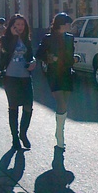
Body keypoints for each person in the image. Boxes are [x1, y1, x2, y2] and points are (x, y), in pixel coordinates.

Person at [36, 12, 79, 150]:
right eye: (69, 23)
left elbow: (70, 55)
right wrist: (49, 57)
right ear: (62, 24)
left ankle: (59, 128)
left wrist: (75, 58)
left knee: (64, 104)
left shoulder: (70, 38)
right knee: (61, 103)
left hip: (67, 73)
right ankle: (60, 135)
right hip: (54, 74)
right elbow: (39, 54)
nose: (70, 26)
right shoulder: (48, 38)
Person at [0, 14, 36, 150]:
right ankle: (15, 138)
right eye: (17, 24)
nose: (20, 27)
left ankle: (23, 133)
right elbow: (6, 52)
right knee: (13, 107)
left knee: (28, 106)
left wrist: (33, 62)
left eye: (22, 24)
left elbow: (30, 55)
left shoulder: (26, 40)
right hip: (11, 77)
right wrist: (14, 37)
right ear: (12, 26)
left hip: (25, 77)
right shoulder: (5, 39)